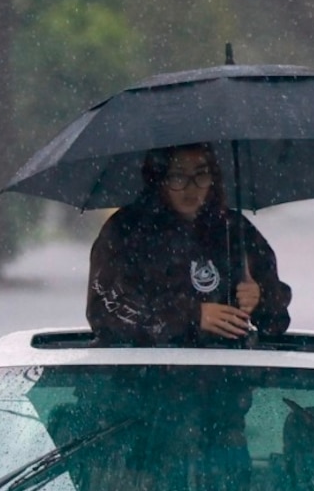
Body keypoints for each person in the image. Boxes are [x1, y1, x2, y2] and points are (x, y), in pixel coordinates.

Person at [87, 144, 293, 346]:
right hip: (147, 371)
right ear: (158, 178)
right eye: (178, 176)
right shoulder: (126, 230)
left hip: (226, 371)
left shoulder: (235, 229)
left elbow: (275, 323)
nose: (191, 187)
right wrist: (191, 317)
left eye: (201, 175)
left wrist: (260, 299)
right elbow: (105, 314)